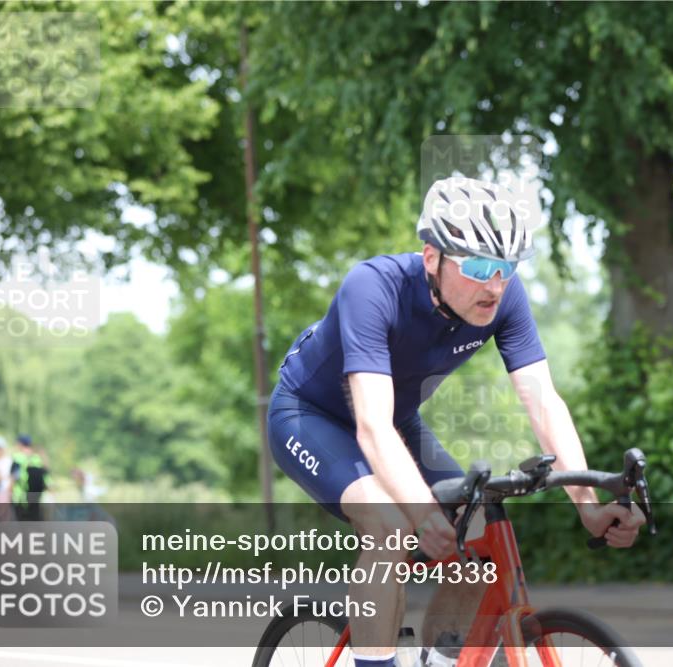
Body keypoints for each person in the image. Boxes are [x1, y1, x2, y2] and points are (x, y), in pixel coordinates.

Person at [267, 177, 645, 667]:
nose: (495, 284)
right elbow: (372, 427)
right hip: (310, 417)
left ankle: (440, 661)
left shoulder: (505, 298)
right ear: (432, 258)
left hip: (397, 423)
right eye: (480, 267)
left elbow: (544, 402)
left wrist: (588, 507)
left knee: (476, 541)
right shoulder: (372, 288)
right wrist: (422, 514)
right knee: (390, 528)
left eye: (507, 268)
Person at [11, 435, 48, 521]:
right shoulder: (37, 458)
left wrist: (9, 491)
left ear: (20, 444)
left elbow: (14, 477)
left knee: (22, 524)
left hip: (20, 497)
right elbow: (45, 474)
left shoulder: (18, 458)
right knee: (35, 521)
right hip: (35, 497)